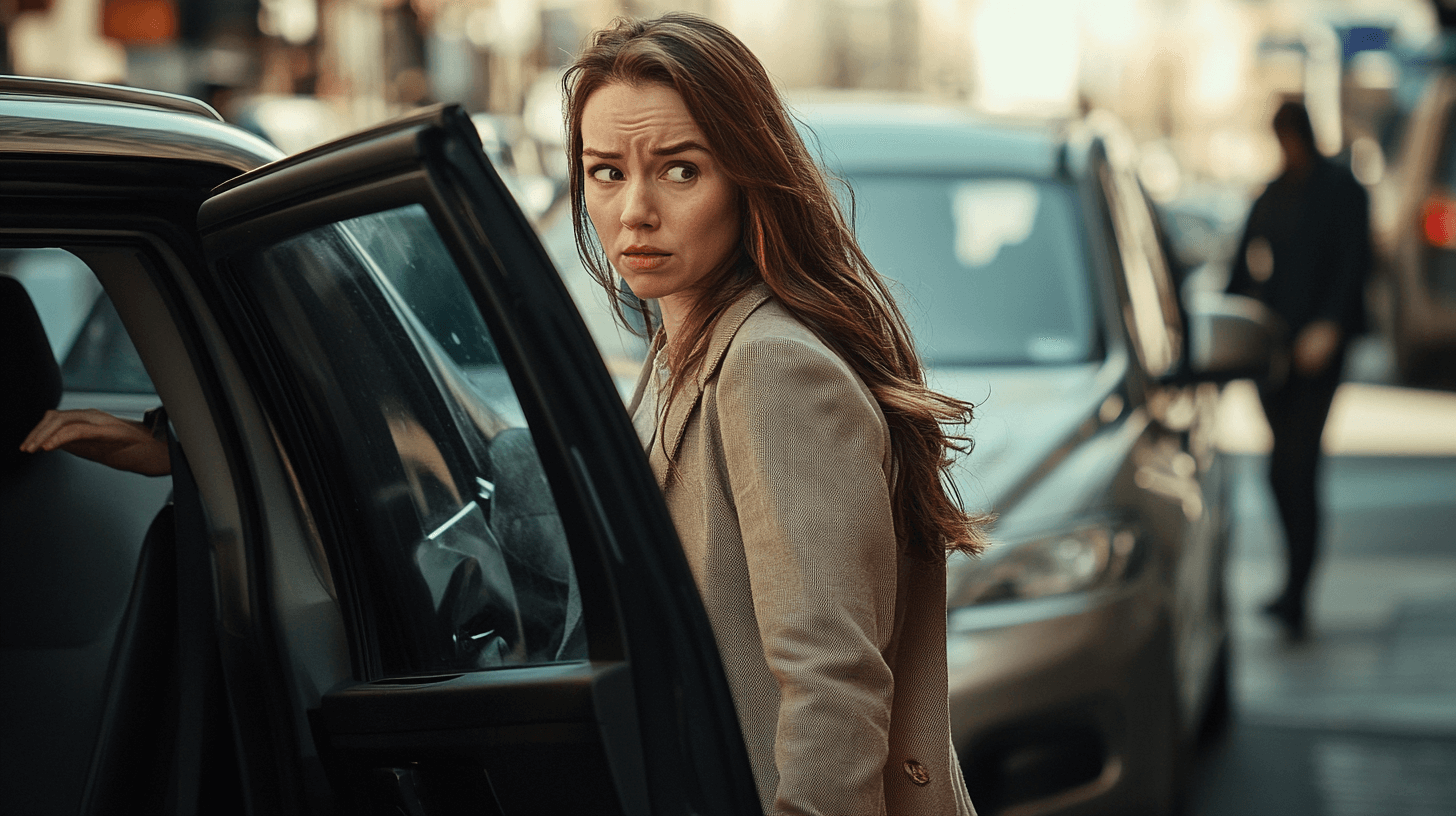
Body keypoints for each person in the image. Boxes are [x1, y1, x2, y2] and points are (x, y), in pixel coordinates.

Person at [566, 14, 988, 815]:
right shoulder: (678, 351)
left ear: (748, 175)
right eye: (605, 172)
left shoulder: (772, 366)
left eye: (680, 171)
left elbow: (834, 685)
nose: (635, 211)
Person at [1227, 100, 1371, 640]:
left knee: (1298, 466)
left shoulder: (1341, 190)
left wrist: (1330, 324)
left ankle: (1298, 591)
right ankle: (1292, 584)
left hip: (1320, 353)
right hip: (1275, 355)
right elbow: (1241, 270)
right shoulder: (1271, 195)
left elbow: (1354, 262)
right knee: (1278, 471)